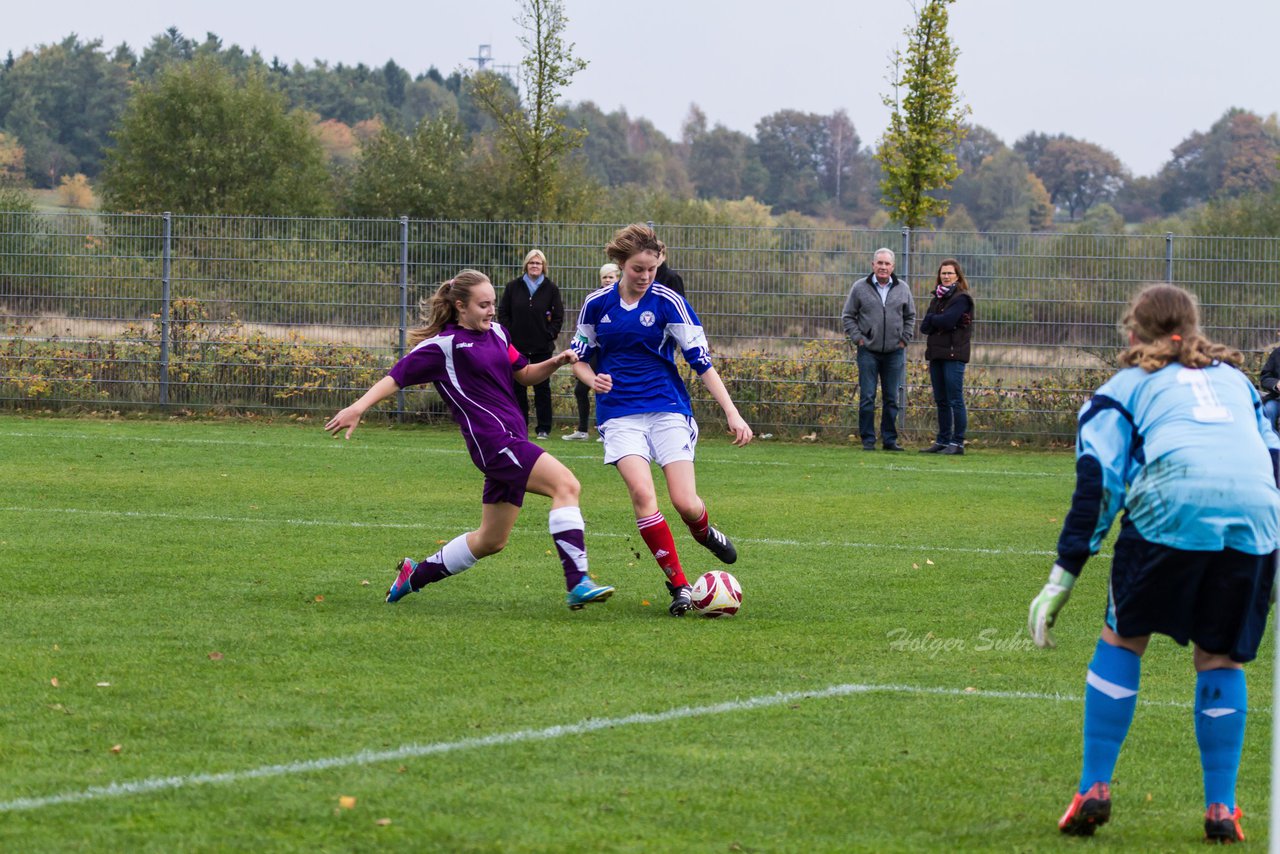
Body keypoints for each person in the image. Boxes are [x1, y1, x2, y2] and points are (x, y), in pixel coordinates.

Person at [1027, 283, 1280, 844]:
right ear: (1192, 327)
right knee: (1220, 659)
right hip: (1258, 521)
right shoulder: (1237, 382)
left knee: (1123, 639)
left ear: (1132, 331)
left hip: (1172, 510)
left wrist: (1061, 579)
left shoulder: (1122, 389)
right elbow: (1272, 459)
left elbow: (1098, 488)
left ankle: (1094, 787)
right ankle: (1222, 809)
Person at [324, 270, 614, 611]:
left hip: (511, 438)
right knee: (566, 485)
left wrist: (554, 361)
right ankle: (577, 581)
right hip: (494, 443)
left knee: (492, 540)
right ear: (460, 306)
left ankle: (413, 575)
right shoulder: (442, 346)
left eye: (493, 303)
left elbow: (524, 374)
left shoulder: (498, 334)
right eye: (483, 305)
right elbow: (396, 377)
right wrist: (357, 408)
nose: (491, 310)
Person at [571, 224, 753, 616]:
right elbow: (578, 359)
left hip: (668, 409)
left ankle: (703, 531)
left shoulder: (669, 301)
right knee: (642, 495)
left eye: (652, 268)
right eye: (638, 268)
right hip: (619, 413)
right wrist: (592, 379)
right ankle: (680, 586)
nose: (645, 276)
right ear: (621, 264)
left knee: (685, 503)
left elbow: (702, 363)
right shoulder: (596, 304)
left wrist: (732, 412)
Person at [841, 248, 916, 451]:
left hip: (895, 352)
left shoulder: (903, 288)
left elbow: (910, 316)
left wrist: (904, 340)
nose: (883, 267)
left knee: (891, 397)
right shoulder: (859, 288)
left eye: (887, 264)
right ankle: (868, 440)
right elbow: (848, 316)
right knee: (867, 397)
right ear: (872, 265)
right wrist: (859, 339)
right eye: (879, 263)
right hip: (868, 351)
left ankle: (889, 440)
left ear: (893, 267)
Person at [497, 249, 564, 440]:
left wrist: (549, 334)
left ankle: (544, 428)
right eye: (532, 263)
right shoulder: (513, 287)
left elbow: (558, 316)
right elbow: (503, 313)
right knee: (517, 389)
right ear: (526, 265)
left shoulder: (551, 289)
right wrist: (510, 335)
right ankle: (520, 426)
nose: (535, 266)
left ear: (544, 266)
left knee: (542, 388)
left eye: (539, 263)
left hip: (542, 347)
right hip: (517, 348)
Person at [918, 259, 974, 456]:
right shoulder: (937, 299)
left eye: (950, 273)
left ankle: (957, 442)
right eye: (943, 273)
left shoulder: (962, 299)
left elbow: (948, 321)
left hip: (953, 354)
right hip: (936, 355)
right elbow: (924, 327)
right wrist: (937, 321)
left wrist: (935, 320)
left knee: (955, 399)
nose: (946, 276)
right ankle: (942, 440)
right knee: (941, 400)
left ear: (957, 276)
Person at [564, 263, 619, 442]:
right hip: (593, 352)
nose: (608, 280)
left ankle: (606, 428)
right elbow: (585, 330)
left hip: (610, 354)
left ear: (618, 277)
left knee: (606, 389)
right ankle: (582, 430)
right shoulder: (594, 301)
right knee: (581, 389)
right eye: (605, 277)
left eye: (611, 276)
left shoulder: (623, 300)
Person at [1259, 341, 1280, 430]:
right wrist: (1276, 384)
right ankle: (1273, 442)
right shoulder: (1276, 354)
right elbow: (1265, 377)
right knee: (1268, 410)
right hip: (1277, 399)